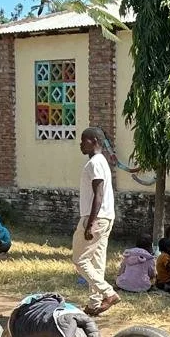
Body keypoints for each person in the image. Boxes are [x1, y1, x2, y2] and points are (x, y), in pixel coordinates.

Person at [72, 127, 119, 316]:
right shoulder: (100, 162)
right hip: (105, 217)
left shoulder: (95, 163)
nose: (80, 144)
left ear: (93, 141)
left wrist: (89, 223)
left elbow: (98, 195)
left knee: (80, 259)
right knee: (96, 261)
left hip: (96, 218)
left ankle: (108, 293)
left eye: (83, 140)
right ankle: (94, 304)